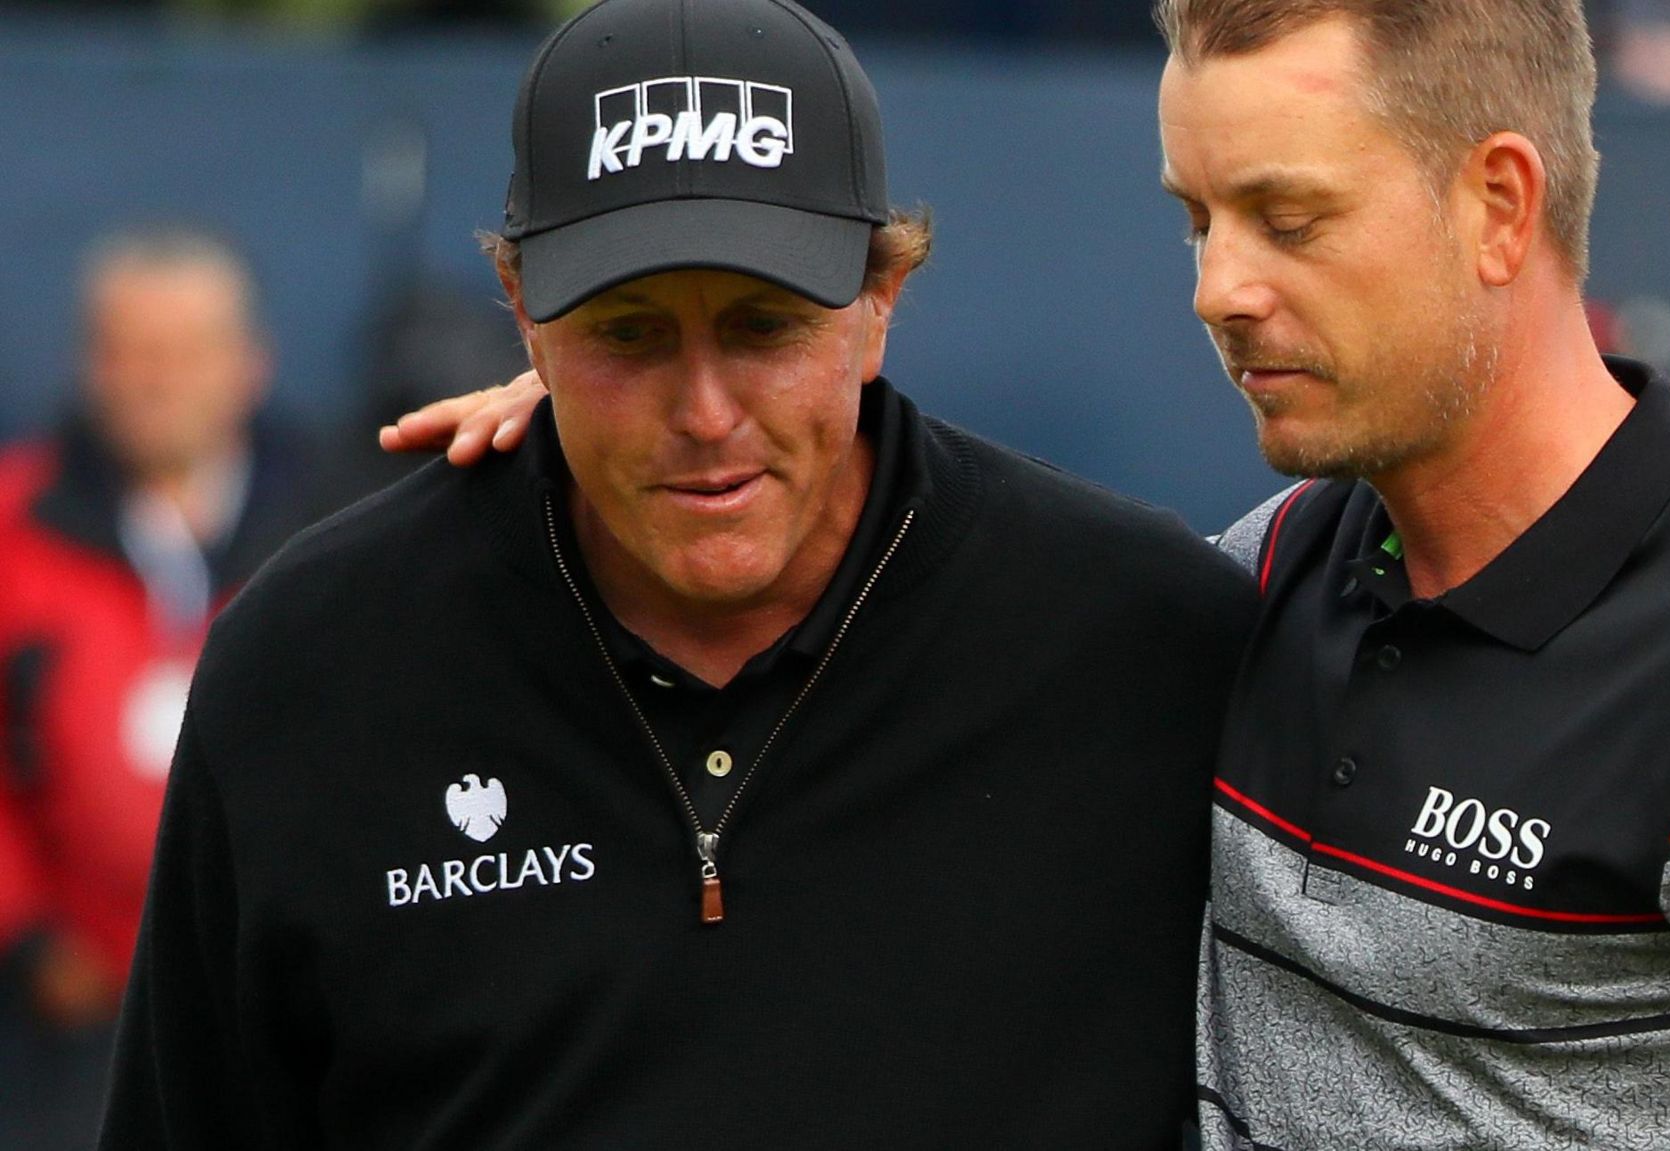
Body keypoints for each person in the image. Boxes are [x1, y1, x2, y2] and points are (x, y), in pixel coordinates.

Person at [396, 0, 1670, 1147]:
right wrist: (628, 409)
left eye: (1284, 217)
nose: (1215, 288)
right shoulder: (1267, 575)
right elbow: (894, 558)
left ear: (1495, 204)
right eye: (1196, 217)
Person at [98, 1, 1255, 1147]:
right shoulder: (311, 662)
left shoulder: (1143, 635)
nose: (704, 414)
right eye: (629, 333)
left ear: (879, 300)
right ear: (524, 316)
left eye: (762, 327)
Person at [0, 225, 324, 1150]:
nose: (152, 380)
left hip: (281, 998)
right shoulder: (15, 519)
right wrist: (26, 935)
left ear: (248, 365)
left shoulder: (333, 523)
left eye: (182, 353)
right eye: (126, 352)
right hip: (65, 1018)